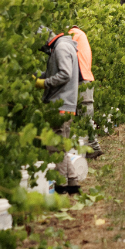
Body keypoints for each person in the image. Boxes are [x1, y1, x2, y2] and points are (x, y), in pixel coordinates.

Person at [37, 29, 82, 194]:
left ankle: (60, 186)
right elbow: (54, 73)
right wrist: (39, 76)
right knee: (61, 148)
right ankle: (72, 183)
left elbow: (64, 74)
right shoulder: (63, 46)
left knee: (55, 148)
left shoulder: (61, 47)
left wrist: (44, 84)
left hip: (60, 104)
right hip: (65, 104)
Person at [68, 25, 102, 159]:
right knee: (85, 115)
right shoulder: (81, 34)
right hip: (85, 77)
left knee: (84, 116)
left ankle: (93, 147)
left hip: (81, 78)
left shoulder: (73, 33)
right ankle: (88, 147)